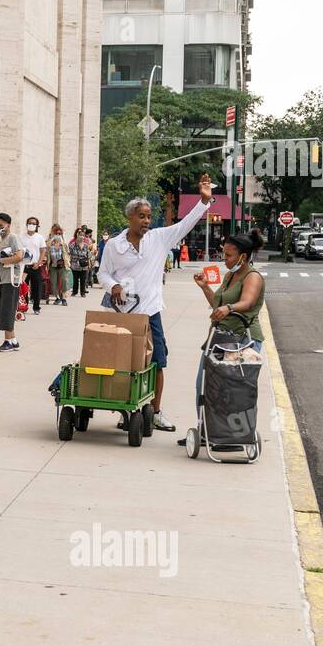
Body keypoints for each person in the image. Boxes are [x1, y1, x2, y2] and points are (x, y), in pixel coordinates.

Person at [98, 173, 215, 433]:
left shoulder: (159, 238)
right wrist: (112, 286)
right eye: (142, 216)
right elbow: (102, 273)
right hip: (123, 315)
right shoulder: (114, 246)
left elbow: (185, 224)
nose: (147, 221)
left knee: (157, 362)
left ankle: (156, 412)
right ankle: (125, 410)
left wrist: (204, 201)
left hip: (150, 313)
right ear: (130, 217)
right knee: (124, 364)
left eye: (149, 217)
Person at [183, 229, 267, 443]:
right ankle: (207, 430)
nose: (225, 259)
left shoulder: (253, 277)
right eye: (224, 254)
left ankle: (233, 434)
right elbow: (216, 305)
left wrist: (229, 308)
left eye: (229, 255)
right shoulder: (230, 276)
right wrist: (205, 287)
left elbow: (247, 302)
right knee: (203, 386)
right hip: (219, 339)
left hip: (242, 339)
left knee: (233, 391)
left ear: (243, 257)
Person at [0, 213, 26, 352]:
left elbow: (19, 256)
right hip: (2, 279)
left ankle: (8, 342)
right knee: (4, 309)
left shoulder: (13, 237)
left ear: (8, 225)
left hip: (10, 280)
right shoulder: (3, 240)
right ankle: (13, 340)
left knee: (7, 310)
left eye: (1, 225)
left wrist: (0, 260)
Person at [44, 224, 70, 306]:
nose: (58, 235)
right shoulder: (49, 244)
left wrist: (68, 263)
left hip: (62, 265)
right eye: (56, 233)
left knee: (64, 281)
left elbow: (68, 254)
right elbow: (45, 252)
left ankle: (64, 298)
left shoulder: (64, 245)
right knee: (53, 282)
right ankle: (57, 297)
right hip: (52, 266)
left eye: (60, 234)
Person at [24, 217, 46, 314]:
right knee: (23, 287)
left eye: (34, 223)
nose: (31, 225)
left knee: (37, 287)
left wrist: (39, 262)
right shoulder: (21, 236)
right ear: (27, 224)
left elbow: (43, 251)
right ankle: (23, 306)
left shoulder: (39, 237)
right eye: (30, 223)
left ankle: (36, 307)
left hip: (36, 266)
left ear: (37, 226)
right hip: (24, 266)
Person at [70, 227, 92, 298]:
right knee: (75, 279)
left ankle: (83, 292)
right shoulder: (72, 245)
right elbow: (70, 253)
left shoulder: (86, 245)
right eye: (80, 235)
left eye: (83, 235)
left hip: (84, 265)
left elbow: (89, 254)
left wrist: (88, 257)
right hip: (75, 264)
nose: (81, 237)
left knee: (83, 280)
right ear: (77, 236)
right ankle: (74, 291)